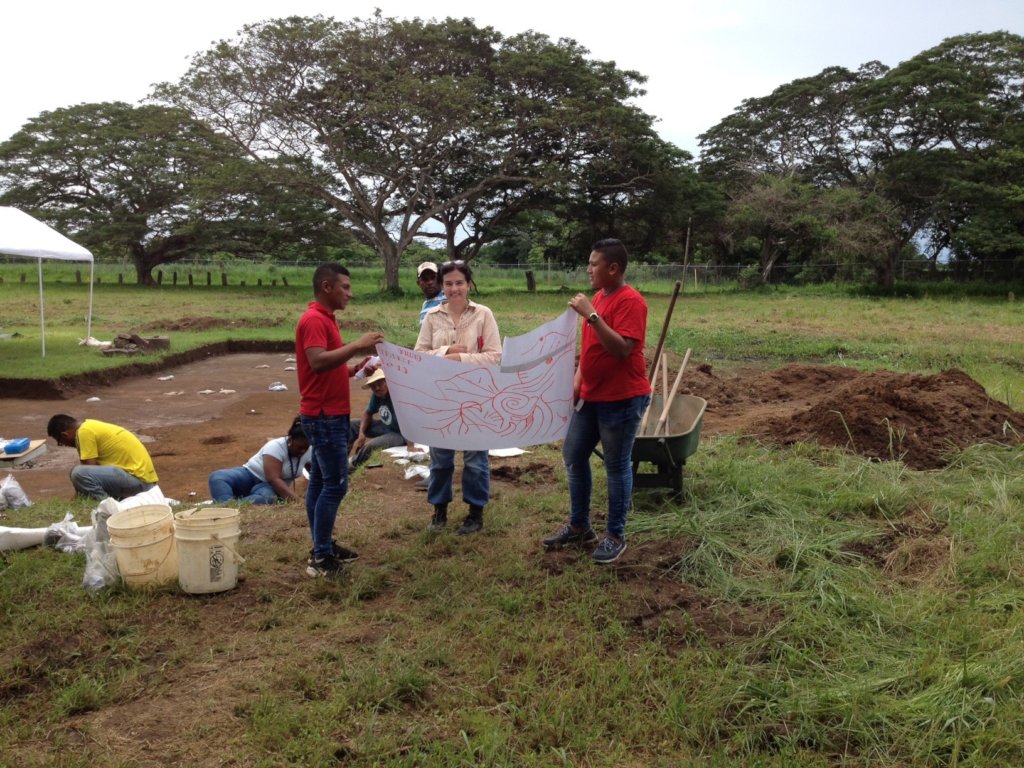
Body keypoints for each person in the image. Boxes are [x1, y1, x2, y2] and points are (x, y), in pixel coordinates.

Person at [542, 238, 652, 564]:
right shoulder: (600, 298)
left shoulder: (631, 302)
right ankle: (580, 526)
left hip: (621, 399)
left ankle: (615, 535)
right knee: (574, 455)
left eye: (593, 264)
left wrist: (591, 316)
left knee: (616, 466)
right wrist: (577, 382)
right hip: (591, 396)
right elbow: (590, 350)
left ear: (613, 268)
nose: (588, 269)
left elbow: (621, 350)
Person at [297, 263, 384, 577]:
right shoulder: (313, 320)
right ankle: (321, 558)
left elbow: (328, 366)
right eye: (345, 287)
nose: (350, 293)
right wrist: (357, 345)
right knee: (335, 485)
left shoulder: (325, 320)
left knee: (320, 483)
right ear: (326, 287)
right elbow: (317, 362)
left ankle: (323, 545)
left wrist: (356, 368)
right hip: (324, 417)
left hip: (325, 414)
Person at [415, 260, 501, 535]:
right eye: (449, 283)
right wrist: (445, 352)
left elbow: (495, 356)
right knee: (440, 459)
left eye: (459, 283)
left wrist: (460, 357)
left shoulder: (483, 314)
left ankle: (475, 513)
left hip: (477, 397)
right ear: (442, 285)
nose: (454, 288)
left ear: (468, 284)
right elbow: (418, 356)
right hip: (441, 398)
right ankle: (439, 511)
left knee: (476, 459)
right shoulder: (431, 318)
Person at [46, 414, 158, 501]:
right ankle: (111, 501)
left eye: (61, 442)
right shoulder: (89, 426)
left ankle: (106, 505)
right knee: (78, 473)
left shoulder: (84, 432)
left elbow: (88, 471)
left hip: (140, 482)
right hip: (142, 481)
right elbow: (87, 480)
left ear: (65, 435)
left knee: (78, 473)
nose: (64, 445)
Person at [208, 417, 312, 504]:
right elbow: (274, 480)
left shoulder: (310, 450)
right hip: (249, 476)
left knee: (267, 497)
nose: (303, 451)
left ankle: (234, 506)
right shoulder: (275, 446)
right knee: (218, 477)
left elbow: (317, 476)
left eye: (306, 448)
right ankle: (225, 506)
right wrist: (297, 501)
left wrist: (310, 499)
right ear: (290, 440)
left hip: (269, 488)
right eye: (299, 447)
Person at [414, 261, 445, 489]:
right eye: (424, 278)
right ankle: (437, 474)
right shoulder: (426, 304)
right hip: (431, 372)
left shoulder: (445, 300)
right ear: (419, 282)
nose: (429, 281)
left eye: (432, 277)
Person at [349, 369, 413, 468]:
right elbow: (368, 413)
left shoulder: (398, 395)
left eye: (380, 383)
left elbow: (408, 420)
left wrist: (411, 445)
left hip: (400, 433)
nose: (377, 388)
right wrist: (361, 433)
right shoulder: (377, 394)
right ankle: (341, 460)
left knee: (370, 446)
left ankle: (352, 466)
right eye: (373, 386)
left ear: (386, 381)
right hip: (385, 426)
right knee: (352, 425)